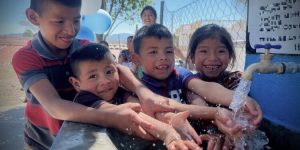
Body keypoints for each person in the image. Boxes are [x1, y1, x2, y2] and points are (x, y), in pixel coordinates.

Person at [12, 0, 174, 149]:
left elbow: (117, 68)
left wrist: (143, 92)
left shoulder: (82, 47)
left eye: (76, 20)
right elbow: (54, 105)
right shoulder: (26, 57)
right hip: (41, 141)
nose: (71, 30)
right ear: (33, 17)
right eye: (59, 21)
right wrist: (111, 117)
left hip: (77, 132)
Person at [132, 24, 263, 148]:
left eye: (168, 51)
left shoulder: (180, 75)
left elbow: (206, 88)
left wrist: (238, 99)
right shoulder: (138, 88)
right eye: (153, 52)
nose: (163, 57)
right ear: (137, 60)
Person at [68, 43, 201, 150]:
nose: (105, 81)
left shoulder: (117, 91)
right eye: (93, 76)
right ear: (76, 84)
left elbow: (141, 107)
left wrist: (171, 119)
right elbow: (133, 115)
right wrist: (168, 133)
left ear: (117, 70)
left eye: (109, 72)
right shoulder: (84, 98)